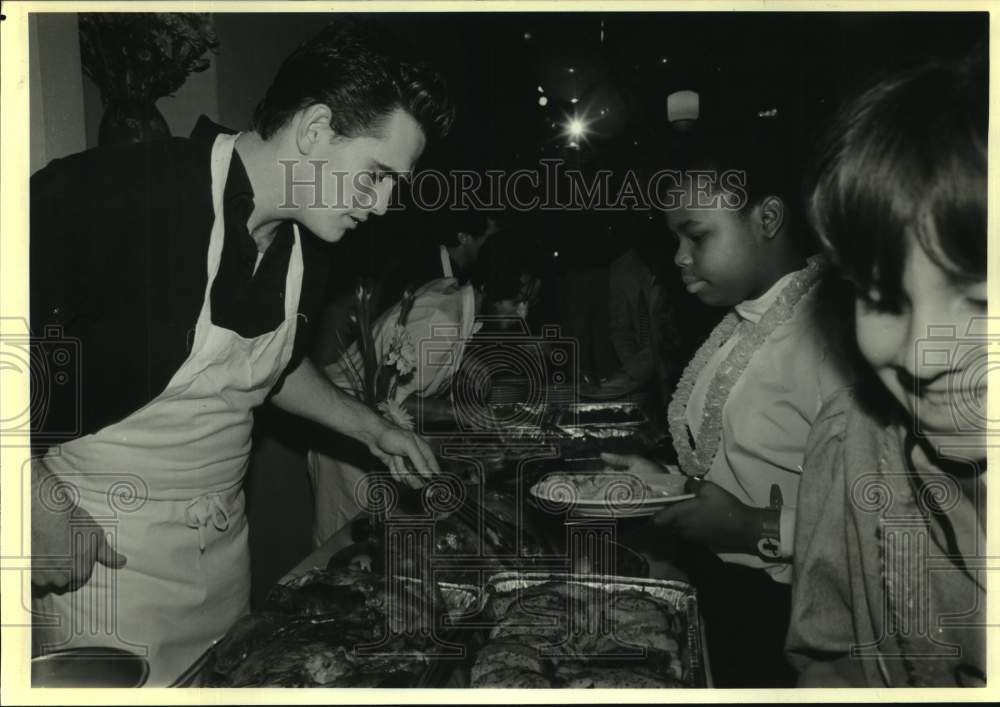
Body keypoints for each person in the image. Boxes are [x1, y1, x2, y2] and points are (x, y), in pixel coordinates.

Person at [29, 19, 453, 684]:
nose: (384, 205)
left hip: (224, 562)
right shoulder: (122, 194)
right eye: (377, 175)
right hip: (104, 563)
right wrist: (32, 502)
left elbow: (267, 366)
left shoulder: (302, 251)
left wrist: (369, 425)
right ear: (315, 130)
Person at [603, 125, 852, 687]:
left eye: (696, 236)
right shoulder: (746, 321)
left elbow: (879, 518)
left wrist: (749, 527)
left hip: (795, 608)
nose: (679, 258)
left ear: (766, 219)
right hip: (729, 590)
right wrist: (666, 481)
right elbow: (741, 461)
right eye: (675, 239)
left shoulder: (835, 333)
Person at [786, 56, 987, 687]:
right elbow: (832, 663)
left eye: (983, 298)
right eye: (882, 298)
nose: (923, 353)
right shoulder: (852, 444)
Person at [308, 230, 542, 545]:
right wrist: (467, 413)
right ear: (488, 286)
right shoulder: (441, 318)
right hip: (345, 434)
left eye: (528, 303)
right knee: (346, 545)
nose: (522, 314)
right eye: (516, 301)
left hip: (374, 434)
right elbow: (387, 401)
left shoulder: (458, 300)